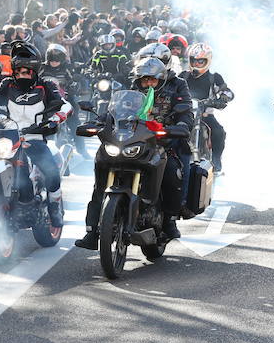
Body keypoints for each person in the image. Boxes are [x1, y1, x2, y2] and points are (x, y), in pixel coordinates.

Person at [75, 57, 193, 249]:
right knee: (99, 184)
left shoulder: (175, 89)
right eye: (144, 80)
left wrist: (181, 125)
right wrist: (98, 122)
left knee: (172, 172)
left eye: (152, 80)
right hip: (130, 140)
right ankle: (92, 231)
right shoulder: (132, 92)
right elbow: (113, 111)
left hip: (160, 142)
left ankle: (169, 220)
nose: (148, 84)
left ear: (160, 80)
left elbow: (186, 113)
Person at [0, 41, 69, 226]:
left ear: (34, 70)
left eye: (26, 71)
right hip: (7, 139)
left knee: (51, 171)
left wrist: (56, 118)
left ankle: (54, 206)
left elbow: (64, 104)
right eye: (18, 71)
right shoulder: (7, 84)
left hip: (34, 138)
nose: (22, 74)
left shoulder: (46, 85)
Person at [179, 43, 234, 172]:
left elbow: (228, 92)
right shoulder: (183, 76)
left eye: (200, 61)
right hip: (184, 113)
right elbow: (173, 90)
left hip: (205, 115)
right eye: (194, 60)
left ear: (207, 60)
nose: (196, 64)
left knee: (219, 132)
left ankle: (216, 160)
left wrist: (223, 98)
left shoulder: (214, 77)